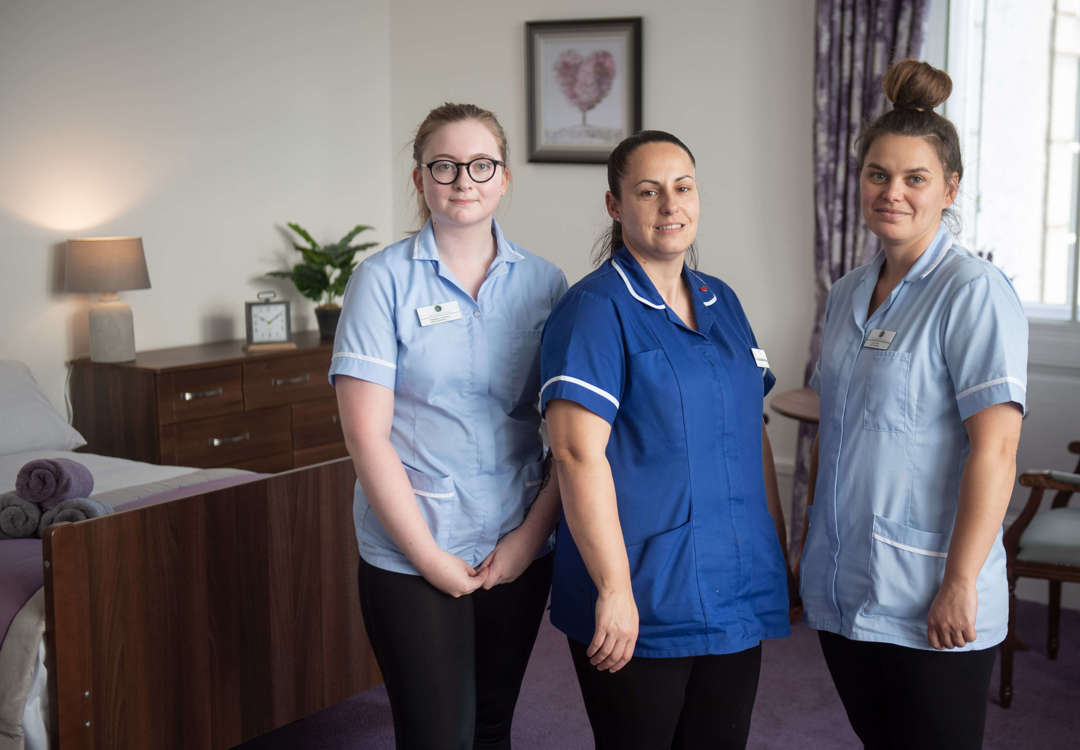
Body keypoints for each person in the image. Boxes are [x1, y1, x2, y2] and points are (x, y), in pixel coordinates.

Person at [799, 59, 1027, 750]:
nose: (891, 192)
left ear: (948, 189)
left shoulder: (973, 292)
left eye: (914, 178)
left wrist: (960, 582)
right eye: (877, 174)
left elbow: (996, 449)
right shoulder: (844, 294)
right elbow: (840, 427)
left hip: (932, 589)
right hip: (845, 582)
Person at [540, 130, 791, 750]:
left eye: (682, 188)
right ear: (614, 205)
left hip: (735, 581)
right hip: (644, 594)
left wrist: (776, 554)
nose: (669, 206)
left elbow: (751, 428)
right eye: (648, 192)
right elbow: (575, 455)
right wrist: (615, 591)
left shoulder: (722, 300)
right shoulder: (594, 309)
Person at [329, 102, 567, 750]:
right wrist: (430, 558)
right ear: (420, 180)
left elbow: (567, 435)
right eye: (445, 165)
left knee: (492, 726)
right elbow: (365, 437)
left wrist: (526, 542)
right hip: (411, 550)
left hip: (514, 542)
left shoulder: (546, 284)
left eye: (481, 164)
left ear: (505, 178)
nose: (464, 180)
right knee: (437, 736)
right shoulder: (381, 282)